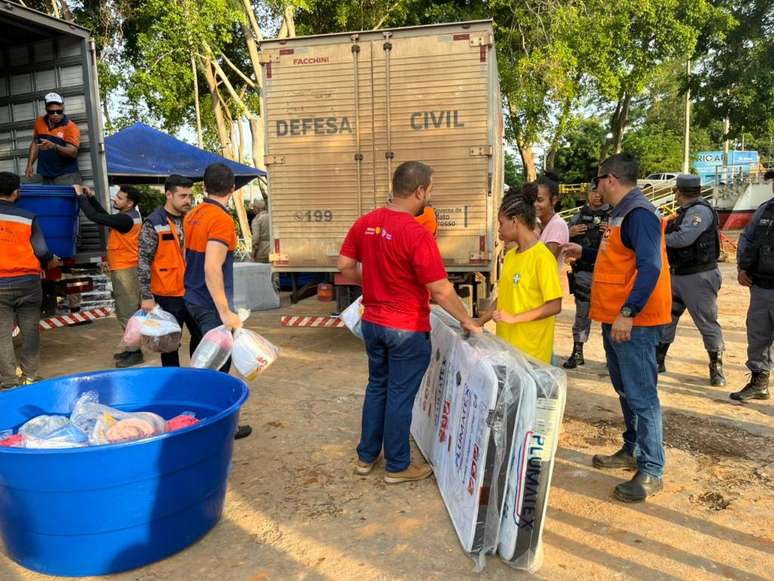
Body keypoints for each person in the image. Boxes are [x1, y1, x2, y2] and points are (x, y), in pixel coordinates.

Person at [337, 161, 481, 484]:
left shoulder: (366, 223)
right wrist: (467, 320)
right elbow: (440, 290)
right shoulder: (417, 233)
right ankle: (397, 466)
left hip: (372, 323)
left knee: (378, 386)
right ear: (420, 191)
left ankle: (366, 456)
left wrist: (372, 281)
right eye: (430, 189)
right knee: (399, 394)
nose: (430, 195)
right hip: (405, 328)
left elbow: (344, 265)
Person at [562, 153, 672, 503]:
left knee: (642, 395)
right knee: (626, 390)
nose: (595, 188)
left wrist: (628, 312)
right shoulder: (621, 213)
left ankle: (652, 469)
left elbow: (650, 267)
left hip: (633, 322)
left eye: (597, 181)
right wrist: (586, 252)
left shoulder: (639, 214)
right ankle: (632, 449)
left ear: (610, 179)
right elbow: (618, 259)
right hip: (616, 319)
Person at [184, 163, 252, 440]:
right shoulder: (221, 220)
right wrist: (225, 312)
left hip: (192, 297)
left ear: (204, 185)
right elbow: (212, 267)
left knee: (201, 361)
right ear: (233, 189)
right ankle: (217, 429)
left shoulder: (193, 214)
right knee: (218, 369)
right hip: (210, 303)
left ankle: (201, 419)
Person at [479, 192, 562, 364]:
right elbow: (504, 297)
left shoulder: (542, 258)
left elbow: (555, 305)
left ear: (515, 221)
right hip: (507, 350)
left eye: (501, 223)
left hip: (531, 355)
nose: (499, 229)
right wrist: (480, 321)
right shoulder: (510, 256)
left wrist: (515, 318)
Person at [658, 175, 725, 386]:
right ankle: (658, 360)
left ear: (679, 192)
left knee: (706, 321)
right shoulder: (686, 211)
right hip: (678, 274)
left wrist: (655, 239)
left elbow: (683, 239)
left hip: (698, 276)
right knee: (667, 318)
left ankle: (717, 367)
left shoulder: (698, 211)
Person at [0, 172, 60, 388]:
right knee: (31, 331)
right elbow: (42, 250)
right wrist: (52, 260)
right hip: (28, 282)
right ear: (16, 192)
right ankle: (30, 377)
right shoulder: (27, 216)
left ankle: (8, 383)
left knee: (2, 336)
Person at [75, 184, 143, 368]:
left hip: (126, 271)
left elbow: (95, 217)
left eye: (120, 198)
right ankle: (131, 349)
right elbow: (105, 217)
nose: (115, 199)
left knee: (127, 314)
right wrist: (90, 197)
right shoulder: (128, 217)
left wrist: (80, 196)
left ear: (129, 203)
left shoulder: (126, 220)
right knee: (128, 312)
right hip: (126, 268)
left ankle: (135, 352)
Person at [138, 175, 200, 367]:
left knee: (201, 336)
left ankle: (196, 375)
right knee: (169, 344)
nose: (188, 201)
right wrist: (146, 296)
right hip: (167, 295)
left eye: (190, 196)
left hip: (192, 291)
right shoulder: (154, 222)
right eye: (182, 196)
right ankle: (173, 381)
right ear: (168, 195)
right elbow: (143, 261)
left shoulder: (192, 220)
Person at [733, 169, 774, 401]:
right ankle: (759, 382)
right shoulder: (765, 209)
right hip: (761, 286)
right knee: (758, 335)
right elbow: (747, 238)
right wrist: (741, 268)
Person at [563, 186, 611, 369]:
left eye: (600, 192)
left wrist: (612, 231)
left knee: (610, 315)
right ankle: (577, 352)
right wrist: (570, 232)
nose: (597, 196)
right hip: (584, 272)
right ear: (588, 194)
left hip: (607, 274)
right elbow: (561, 239)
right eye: (593, 192)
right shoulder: (578, 216)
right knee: (582, 313)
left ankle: (611, 355)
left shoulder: (614, 216)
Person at [24, 93, 81, 185]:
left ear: (63, 107)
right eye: (51, 112)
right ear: (46, 109)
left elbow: (73, 152)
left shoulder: (71, 127)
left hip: (66, 176)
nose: (55, 114)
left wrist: (54, 146)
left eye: (58, 111)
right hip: (45, 175)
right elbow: (35, 143)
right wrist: (29, 165)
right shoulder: (39, 122)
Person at [535, 173, 569, 268]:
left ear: (553, 200)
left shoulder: (557, 225)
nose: (534, 204)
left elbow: (545, 262)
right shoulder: (542, 224)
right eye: (532, 200)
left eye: (540, 200)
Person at [250, 198, 271, 263]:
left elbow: (255, 239)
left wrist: (253, 254)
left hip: (262, 251)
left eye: (254, 208)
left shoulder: (257, 220)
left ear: (258, 209)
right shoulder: (271, 217)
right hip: (274, 249)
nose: (253, 210)